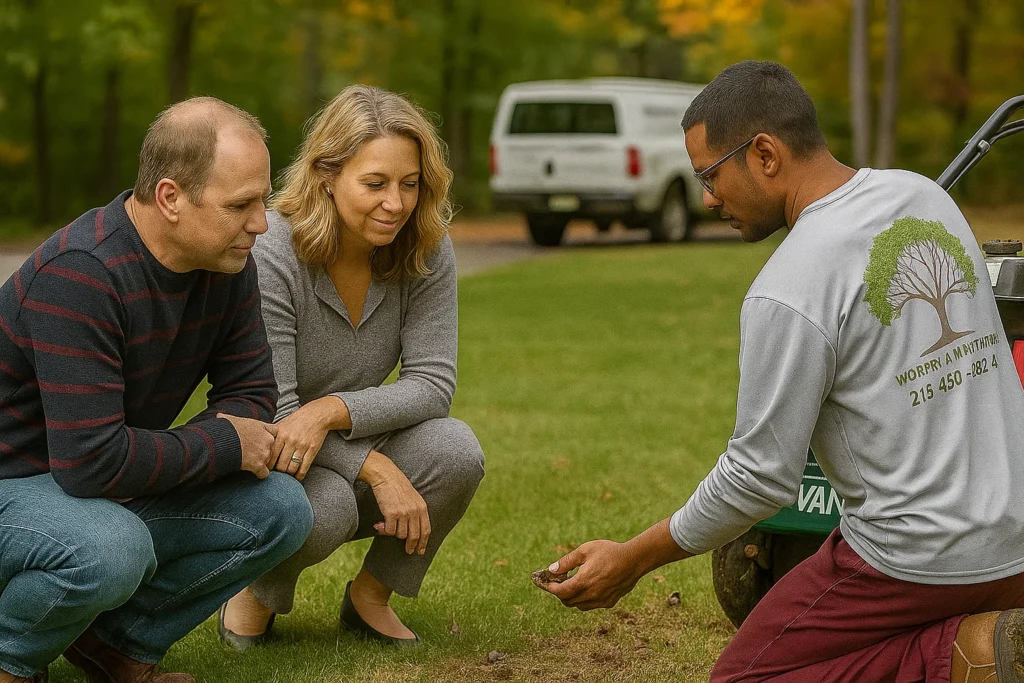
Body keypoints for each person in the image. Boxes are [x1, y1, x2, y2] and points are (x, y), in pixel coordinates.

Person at [539, 60, 1024, 683]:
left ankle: (969, 655)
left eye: (711, 175)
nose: (708, 198)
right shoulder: (924, 197)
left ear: (765, 154)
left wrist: (633, 558)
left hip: (918, 562)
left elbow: (759, 480)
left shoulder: (789, 287)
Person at [0, 97, 314, 683]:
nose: (261, 224)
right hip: (12, 485)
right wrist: (219, 443)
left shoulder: (225, 263)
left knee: (281, 509)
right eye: (240, 205)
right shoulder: (80, 274)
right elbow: (92, 464)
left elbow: (251, 396)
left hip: (81, 480)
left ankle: (116, 648)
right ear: (170, 197)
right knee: (111, 547)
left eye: (262, 200)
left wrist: (185, 447)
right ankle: (9, 659)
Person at [218, 85, 485, 648]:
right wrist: (376, 470)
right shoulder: (272, 252)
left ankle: (370, 597)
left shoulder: (426, 247)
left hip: (335, 432)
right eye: (375, 184)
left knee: (455, 450)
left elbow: (433, 385)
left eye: (410, 184)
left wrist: (332, 410)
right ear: (326, 175)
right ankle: (254, 595)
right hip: (274, 451)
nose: (396, 203)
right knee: (330, 507)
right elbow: (279, 411)